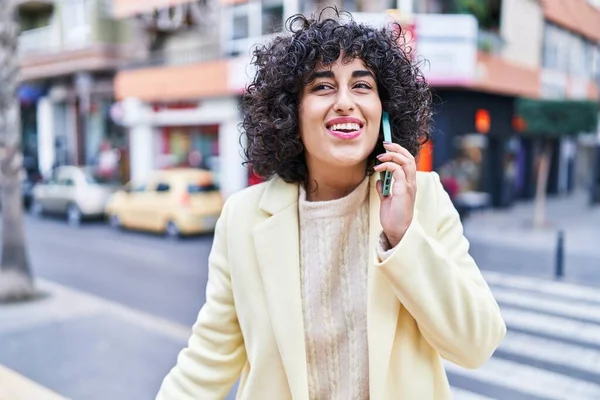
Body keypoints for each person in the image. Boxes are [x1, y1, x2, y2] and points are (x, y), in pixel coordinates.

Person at [156, 8, 505, 400]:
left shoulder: (425, 200)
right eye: (322, 87)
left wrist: (403, 237)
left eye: (362, 86)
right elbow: (204, 365)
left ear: (384, 111)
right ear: (291, 112)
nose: (344, 102)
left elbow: (477, 344)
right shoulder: (242, 218)